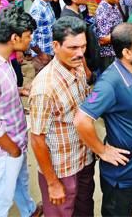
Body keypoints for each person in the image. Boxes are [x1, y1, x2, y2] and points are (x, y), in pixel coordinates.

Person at [74, 22, 132, 217]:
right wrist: (101, 150)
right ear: (127, 53)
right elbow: (81, 120)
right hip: (121, 176)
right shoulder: (110, 83)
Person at [0, 6, 42, 217]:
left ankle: (29, 210)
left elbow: (0, 95)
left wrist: (19, 90)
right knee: (1, 200)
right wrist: (13, 151)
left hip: (15, 143)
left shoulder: (2, 60)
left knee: (20, 182)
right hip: (3, 151)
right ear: (14, 38)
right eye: (28, 36)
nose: (30, 40)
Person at [29, 17, 94, 217]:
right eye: (73, 47)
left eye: (83, 46)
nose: (80, 53)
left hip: (84, 158)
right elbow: (37, 139)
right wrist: (52, 183)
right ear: (55, 46)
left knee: (85, 208)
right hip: (61, 169)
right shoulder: (44, 89)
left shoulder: (79, 64)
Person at [29, 0, 57, 75]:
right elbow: (31, 37)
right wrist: (41, 54)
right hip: (43, 54)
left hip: (50, 51)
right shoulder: (38, 9)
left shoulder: (46, 3)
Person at [95, 0, 124, 73]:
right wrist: (122, 35)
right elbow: (102, 39)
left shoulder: (113, 5)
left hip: (115, 52)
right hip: (108, 56)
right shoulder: (103, 12)